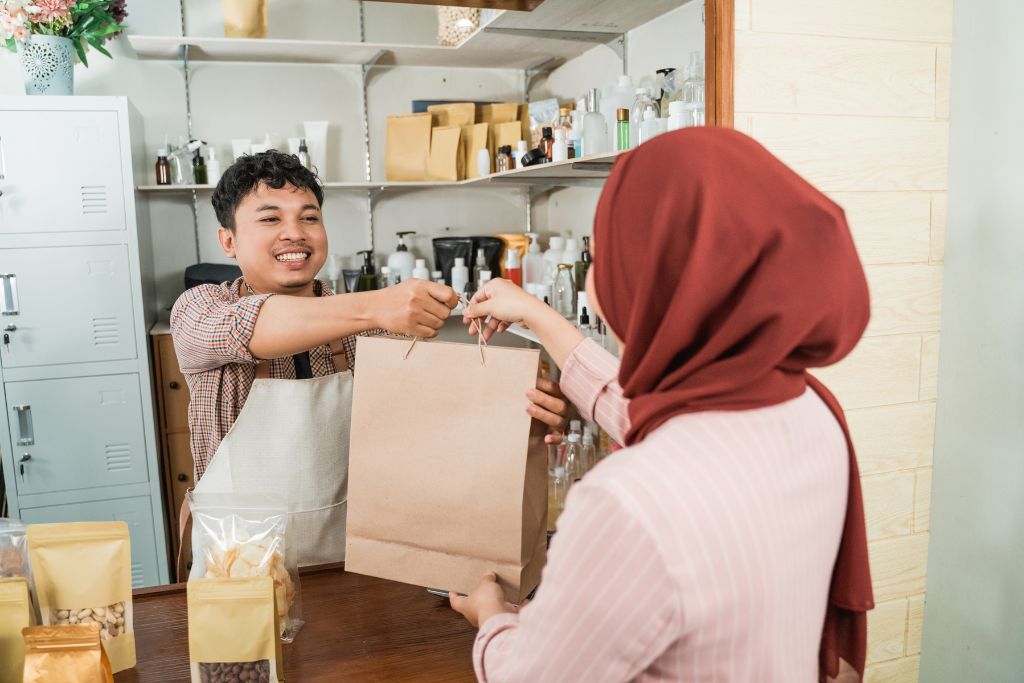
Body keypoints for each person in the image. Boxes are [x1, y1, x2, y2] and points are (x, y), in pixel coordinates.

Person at [451, 128, 875, 682]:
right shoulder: (811, 413)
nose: (598, 276)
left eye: (603, 253)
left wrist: (492, 620)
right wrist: (540, 317)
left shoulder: (627, 502)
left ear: (654, 276)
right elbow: (661, 424)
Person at [170, 151, 569, 572]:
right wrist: (382, 304)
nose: (295, 233)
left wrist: (520, 415)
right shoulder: (199, 309)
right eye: (270, 219)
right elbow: (251, 328)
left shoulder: (374, 329)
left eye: (309, 218)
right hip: (239, 573)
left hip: (359, 566)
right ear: (228, 241)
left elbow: (433, 433)